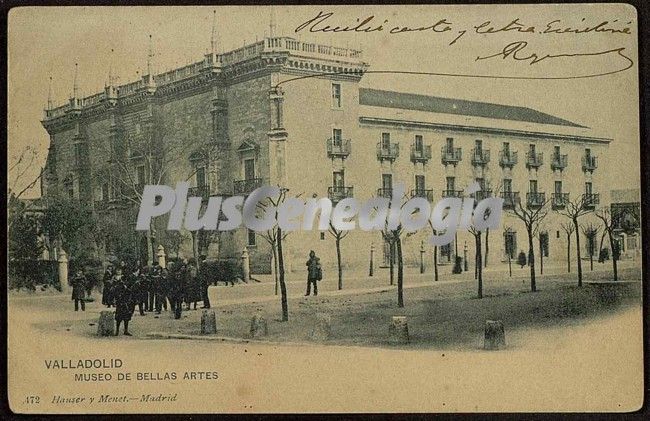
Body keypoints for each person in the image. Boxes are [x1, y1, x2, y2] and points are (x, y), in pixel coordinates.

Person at [112, 268, 133, 336]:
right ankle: (117, 331)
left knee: (126, 317)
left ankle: (125, 331)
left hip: (126, 302)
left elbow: (129, 291)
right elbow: (115, 292)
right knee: (119, 318)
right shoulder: (117, 285)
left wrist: (126, 287)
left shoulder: (126, 285)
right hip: (120, 302)